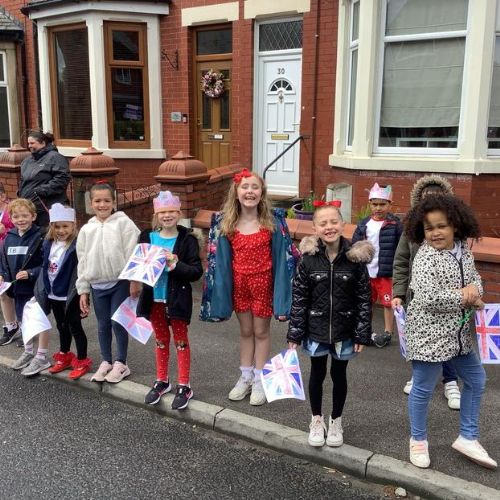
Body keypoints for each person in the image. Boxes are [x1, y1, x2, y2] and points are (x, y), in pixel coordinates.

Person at [404, 194, 496, 470]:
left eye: (441, 226)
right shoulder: (425, 257)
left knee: (477, 380)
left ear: (455, 225)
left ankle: (468, 436)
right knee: (423, 387)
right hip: (428, 336)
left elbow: (476, 281)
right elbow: (428, 297)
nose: (435, 233)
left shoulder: (462, 251)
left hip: (458, 335)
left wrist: (475, 291)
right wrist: (464, 295)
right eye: (429, 228)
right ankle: (418, 440)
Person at [200, 168, 297, 406]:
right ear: (237, 192)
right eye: (245, 187)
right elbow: (219, 260)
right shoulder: (227, 223)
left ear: (262, 192)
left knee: (261, 332)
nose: (250, 192)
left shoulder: (272, 222)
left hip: (263, 286)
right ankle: (245, 375)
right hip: (240, 287)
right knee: (245, 332)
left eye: (255, 187)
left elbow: (283, 257)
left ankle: (260, 379)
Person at [287, 203, 373, 447]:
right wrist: (295, 332)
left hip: (344, 330)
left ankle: (336, 420)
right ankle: (316, 419)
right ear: (315, 228)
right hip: (315, 329)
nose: (329, 227)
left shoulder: (355, 260)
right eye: (322, 223)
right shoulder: (308, 260)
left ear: (342, 224)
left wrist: (361, 333)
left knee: (339, 374)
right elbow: (300, 298)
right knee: (317, 373)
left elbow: (364, 299)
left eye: (333, 221)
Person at [392, 175, 461, 409]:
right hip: (417, 297)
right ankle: (420, 376)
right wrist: (399, 292)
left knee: (448, 337)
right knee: (419, 338)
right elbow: (401, 262)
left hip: (447, 297)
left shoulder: (453, 231)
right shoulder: (412, 230)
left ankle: (450, 381)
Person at [136, 191, 203, 410]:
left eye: (171, 211)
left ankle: (185, 384)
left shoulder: (188, 240)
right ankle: (162, 380)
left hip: (177, 299)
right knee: (161, 340)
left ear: (179, 213)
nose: (167, 216)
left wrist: (175, 264)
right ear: (156, 214)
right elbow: (139, 265)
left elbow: (195, 271)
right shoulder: (147, 237)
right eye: (163, 212)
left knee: (181, 341)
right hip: (153, 297)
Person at [76, 182, 140, 383]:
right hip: (97, 285)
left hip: (119, 282)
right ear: (90, 203)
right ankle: (106, 361)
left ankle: (121, 363)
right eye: (97, 201)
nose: (102, 204)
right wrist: (83, 289)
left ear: (114, 202)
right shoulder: (87, 229)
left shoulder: (124, 224)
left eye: (106, 200)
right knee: (103, 324)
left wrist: (134, 281)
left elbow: (132, 253)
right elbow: (83, 260)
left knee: (117, 322)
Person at [29, 203, 92, 379]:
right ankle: (64, 354)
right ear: (52, 227)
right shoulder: (48, 243)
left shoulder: (77, 245)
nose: (61, 230)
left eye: (65, 226)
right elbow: (44, 266)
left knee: (75, 327)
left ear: (73, 225)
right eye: (57, 226)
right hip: (53, 293)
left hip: (70, 293)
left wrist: (84, 294)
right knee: (61, 326)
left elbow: (83, 268)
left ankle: (81, 359)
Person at [352, 183, 402, 347]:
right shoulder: (363, 224)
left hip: (385, 273)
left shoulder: (395, 225)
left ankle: (388, 332)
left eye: (382, 204)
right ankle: (366, 330)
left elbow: (401, 248)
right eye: (375, 204)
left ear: (390, 204)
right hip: (366, 271)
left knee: (388, 303)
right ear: (370, 204)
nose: (378, 208)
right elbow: (356, 245)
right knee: (367, 302)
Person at [0, 199, 43, 366]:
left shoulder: (40, 236)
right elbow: (4, 262)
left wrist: (31, 273)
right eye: (16, 216)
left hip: (35, 288)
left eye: (25, 215)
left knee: (35, 321)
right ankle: (28, 351)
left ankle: (39, 355)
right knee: (23, 320)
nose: (21, 219)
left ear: (33, 216)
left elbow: (46, 264)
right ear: (11, 218)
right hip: (17, 289)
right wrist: (2, 275)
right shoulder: (8, 239)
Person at [18, 130, 71, 231]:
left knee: (47, 235)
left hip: (47, 207)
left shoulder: (55, 157)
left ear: (43, 143)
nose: (29, 146)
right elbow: (23, 179)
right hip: (30, 208)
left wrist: (43, 190)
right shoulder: (27, 161)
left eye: (32, 143)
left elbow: (62, 178)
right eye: (28, 143)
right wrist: (20, 191)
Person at [0, 183, 17, 341]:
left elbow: (22, 228)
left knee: (16, 291)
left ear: (3, 196)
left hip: (11, 256)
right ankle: (10, 325)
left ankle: (25, 326)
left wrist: (6, 229)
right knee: (2, 292)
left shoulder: (12, 210)